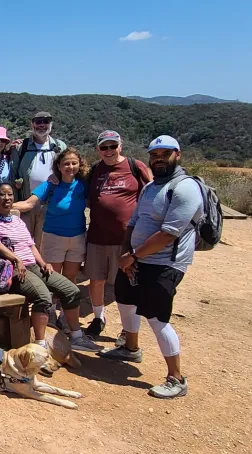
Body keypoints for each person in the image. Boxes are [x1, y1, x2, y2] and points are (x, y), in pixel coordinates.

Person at [98, 135, 200, 400]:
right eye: (154, 155)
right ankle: (130, 348)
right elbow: (133, 223)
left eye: (164, 154)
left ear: (178, 154)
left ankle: (176, 378)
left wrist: (132, 255)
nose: (158, 159)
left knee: (157, 318)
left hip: (165, 263)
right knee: (125, 301)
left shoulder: (185, 188)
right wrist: (126, 255)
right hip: (136, 259)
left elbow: (169, 233)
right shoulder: (151, 187)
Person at [0, 183, 98, 352]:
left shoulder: (17, 220)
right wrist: (16, 260)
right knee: (43, 297)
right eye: (2, 195)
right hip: (13, 270)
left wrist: (43, 263)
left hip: (33, 266)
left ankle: (76, 337)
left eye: (10, 194)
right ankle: (40, 346)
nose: (7, 198)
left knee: (71, 291)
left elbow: (30, 245)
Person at [83, 130, 151, 338]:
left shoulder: (135, 166)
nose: (109, 151)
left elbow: (151, 193)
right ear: (98, 150)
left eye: (113, 146)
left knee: (126, 284)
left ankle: (128, 329)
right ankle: (98, 317)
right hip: (97, 236)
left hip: (127, 240)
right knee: (96, 280)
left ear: (120, 146)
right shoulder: (95, 170)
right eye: (104, 147)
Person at [13, 148, 89, 285]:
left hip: (78, 237)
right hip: (54, 237)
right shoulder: (50, 184)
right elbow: (29, 204)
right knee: (52, 278)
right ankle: (52, 306)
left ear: (79, 165)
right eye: (66, 163)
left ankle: (66, 305)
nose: (70, 167)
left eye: (74, 163)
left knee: (71, 277)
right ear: (58, 166)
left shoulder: (83, 184)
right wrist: (4, 207)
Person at [11, 112, 67, 245]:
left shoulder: (60, 147)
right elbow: (13, 175)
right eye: (38, 122)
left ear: (51, 124)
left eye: (46, 121)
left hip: (50, 206)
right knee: (23, 245)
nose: (42, 125)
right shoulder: (21, 147)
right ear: (32, 124)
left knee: (45, 246)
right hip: (25, 205)